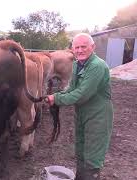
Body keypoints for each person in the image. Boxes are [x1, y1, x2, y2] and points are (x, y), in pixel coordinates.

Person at [45, 33, 113, 180]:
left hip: (98, 115)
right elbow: (72, 89)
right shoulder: (77, 64)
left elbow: (81, 94)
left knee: (92, 155)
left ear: (92, 47)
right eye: (77, 47)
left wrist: (56, 98)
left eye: (84, 47)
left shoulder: (97, 66)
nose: (80, 50)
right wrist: (57, 95)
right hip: (81, 113)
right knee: (81, 149)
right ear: (73, 49)